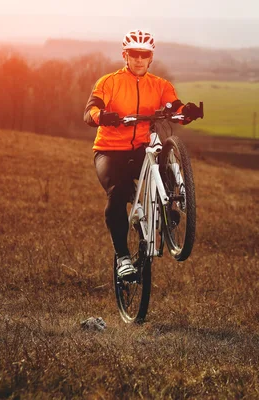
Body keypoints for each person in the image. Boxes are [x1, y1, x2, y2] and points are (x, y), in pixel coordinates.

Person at [84, 29, 202, 281]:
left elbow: (174, 105)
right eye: (134, 54)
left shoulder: (160, 85)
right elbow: (91, 109)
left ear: (150, 58)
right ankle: (123, 257)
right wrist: (102, 116)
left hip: (140, 149)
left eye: (144, 54)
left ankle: (168, 207)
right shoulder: (109, 82)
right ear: (125, 55)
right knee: (117, 195)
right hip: (110, 151)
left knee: (162, 163)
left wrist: (187, 110)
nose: (139, 59)